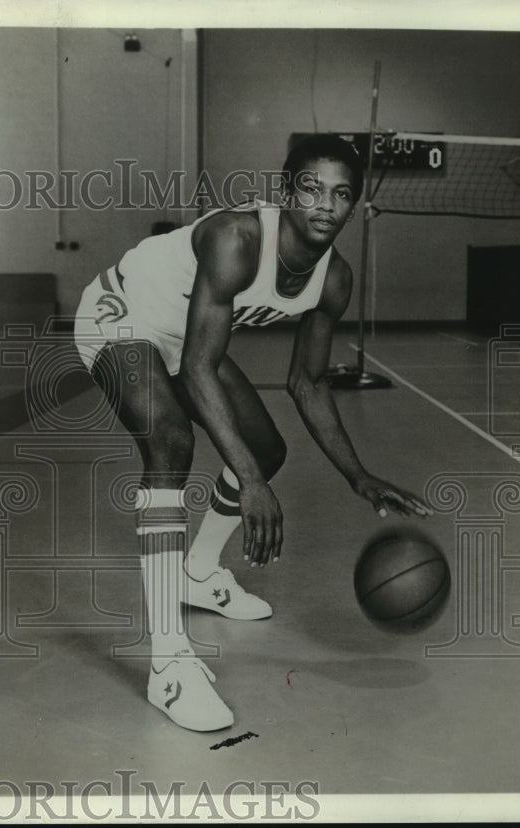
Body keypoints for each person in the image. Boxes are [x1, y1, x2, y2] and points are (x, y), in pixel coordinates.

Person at [74, 134, 431, 731]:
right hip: (121, 313)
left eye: (342, 194)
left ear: (354, 206)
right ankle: (168, 664)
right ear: (286, 192)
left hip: (182, 334)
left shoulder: (333, 280)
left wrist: (358, 476)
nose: (325, 205)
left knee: (266, 449)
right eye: (311, 189)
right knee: (171, 442)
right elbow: (198, 368)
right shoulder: (236, 239)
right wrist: (249, 482)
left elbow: (308, 383)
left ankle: (197, 573)